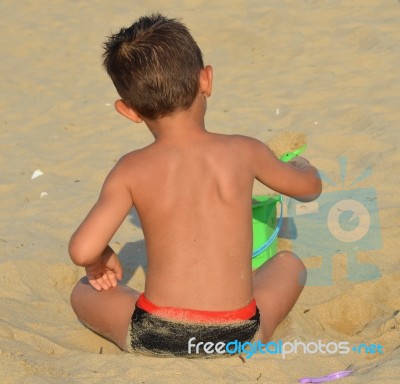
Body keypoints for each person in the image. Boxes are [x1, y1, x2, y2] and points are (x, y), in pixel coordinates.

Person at [69, 13, 322, 357]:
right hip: (237, 332)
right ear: (206, 80)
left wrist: (99, 262)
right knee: (289, 266)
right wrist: (302, 165)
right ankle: (260, 335)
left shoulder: (130, 168)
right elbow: (308, 189)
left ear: (128, 110)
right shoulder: (245, 150)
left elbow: (83, 250)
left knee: (84, 291)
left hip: (158, 334)